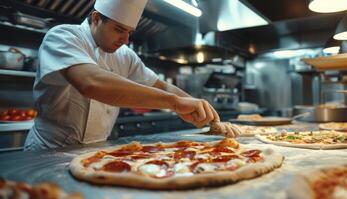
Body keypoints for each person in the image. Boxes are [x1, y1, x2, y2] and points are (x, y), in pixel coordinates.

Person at [24, 0, 240, 151]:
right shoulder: (63, 36)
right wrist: (174, 103)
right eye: (119, 30)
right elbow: (90, 82)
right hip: (48, 150)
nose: (125, 40)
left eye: (129, 32)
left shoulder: (125, 56)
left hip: (95, 152)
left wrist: (205, 112)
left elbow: (161, 86)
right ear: (97, 19)